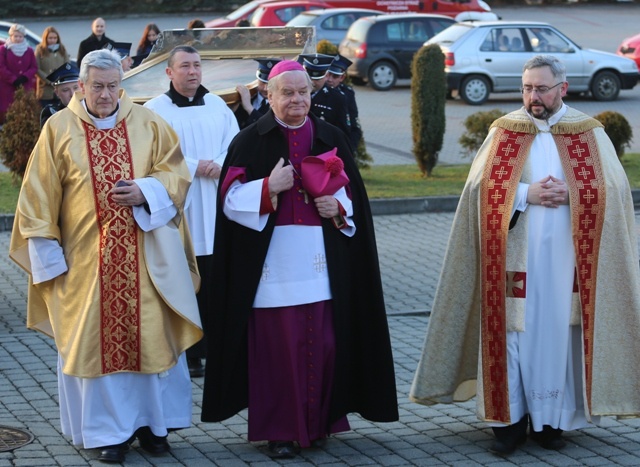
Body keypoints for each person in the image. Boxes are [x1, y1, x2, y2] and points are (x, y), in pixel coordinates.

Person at [410, 55, 640, 455]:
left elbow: (617, 194)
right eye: (528, 88)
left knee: (562, 338)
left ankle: (553, 422)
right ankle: (510, 423)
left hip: (567, 265)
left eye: (542, 88)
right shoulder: (505, 130)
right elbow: (479, 192)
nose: (534, 97)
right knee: (514, 338)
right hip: (516, 261)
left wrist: (577, 195)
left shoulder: (589, 132)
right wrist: (525, 194)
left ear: (562, 89)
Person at [10, 48, 203, 464]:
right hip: (85, 265)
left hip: (147, 260)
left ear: (122, 85)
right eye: (97, 86)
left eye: (113, 86)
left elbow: (176, 175)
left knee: (153, 338)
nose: (105, 94)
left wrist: (146, 192)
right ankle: (106, 433)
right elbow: (37, 197)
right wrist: (49, 264)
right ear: (81, 86)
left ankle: (153, 427)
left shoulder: (149, 123)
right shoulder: (58, 130)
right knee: (93, 347)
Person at [200, 60, 398, 459]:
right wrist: (267, 188)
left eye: (303, 92)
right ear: (269, 96)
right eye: (287, 93)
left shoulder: (330, 135)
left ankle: (320, 422)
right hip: (270, 264)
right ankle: (279, 430)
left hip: (320, 260)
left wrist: (335, 207)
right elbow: (229, 200)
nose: (297, 100)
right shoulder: (250, 140)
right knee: (277, 349)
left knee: (322, 343)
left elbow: (353, 198)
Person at [144, 45, 239, 378]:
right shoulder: (155, 110)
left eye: (197, 65)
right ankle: (189, 351)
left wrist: (220, 164)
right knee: (185, 278)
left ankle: (217, 347)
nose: (193, 71)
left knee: (216, 277)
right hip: (180, 204)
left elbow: (235, 144)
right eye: (185, 66)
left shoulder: (218, 105)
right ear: (169, 72)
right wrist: (198, 165)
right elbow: (151, 155)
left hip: (217, 201)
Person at [298, 53, 352, 145]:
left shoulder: (337, 98)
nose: (312, 82)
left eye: (317, 79)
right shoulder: (295, 95)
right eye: (309, 78)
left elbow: (343, 133)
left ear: (326, 76)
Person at [0, 23, 37, 124]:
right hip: (7, 88)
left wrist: (25, 77)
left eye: (20, 36)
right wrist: (13, 79)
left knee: (24, 113)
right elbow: (1, 67)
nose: (18, 38)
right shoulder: (3, 49)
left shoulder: (29, 50)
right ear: (11, 36)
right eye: (15, 36)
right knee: (8, 115)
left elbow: (34, 67)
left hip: (25, 86)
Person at [324, 54, 362, 150]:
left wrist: (350, 149)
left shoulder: (347, 93)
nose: (330, 79)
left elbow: (353, 124)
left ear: (342, 78)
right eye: (327, 74)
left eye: (335, 76)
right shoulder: (318, 92)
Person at [233, 57, 281, 129]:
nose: (266, 88)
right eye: (262, 82)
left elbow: (270, 127)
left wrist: (249, 108)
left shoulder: (281, 104)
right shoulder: (250, 98)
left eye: (270, 84)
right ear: (257, 80)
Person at [35, 26, 70, 108]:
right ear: (45, 38)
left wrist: (60, 78)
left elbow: (67, 64)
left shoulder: (62, 49)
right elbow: (36, 68)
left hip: (60, 88)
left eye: (55, 38)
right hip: (45, 90)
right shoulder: (40, 49)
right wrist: (49, 80)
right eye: (50, 38)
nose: (53, 40)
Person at [39, 61, 79, 127]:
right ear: (57, 92)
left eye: (76, 88)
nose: (72, 94)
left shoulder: (91, 110)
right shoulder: (52, 113)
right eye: (65, 90)